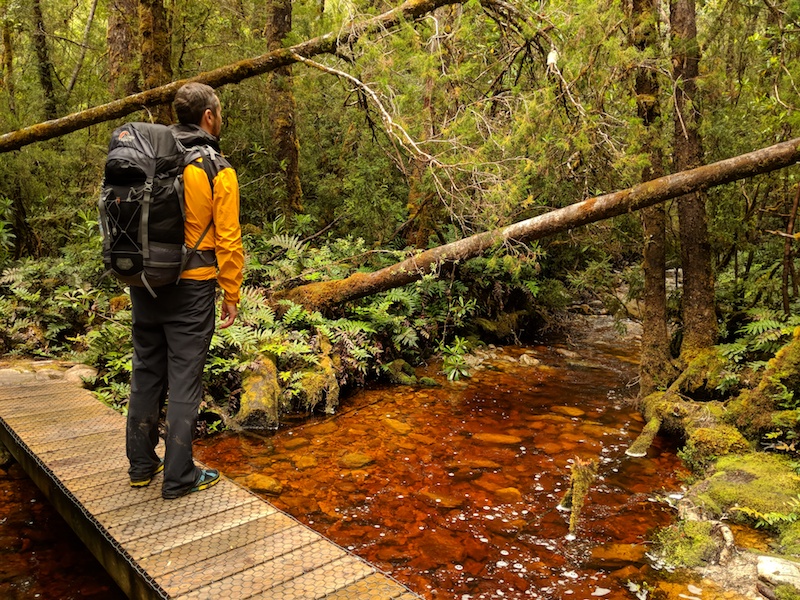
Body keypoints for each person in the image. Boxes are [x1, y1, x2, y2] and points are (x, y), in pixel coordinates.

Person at [125, 82, 244, 500]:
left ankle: (141, 466)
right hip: (192, 289)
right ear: (208, 115)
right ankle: (179, 477)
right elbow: (228, 237)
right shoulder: (215, 167)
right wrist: (231, 292)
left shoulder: (150, 155)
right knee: (185, 383)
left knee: (146, 373)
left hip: (145, 284)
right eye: (220, 111)